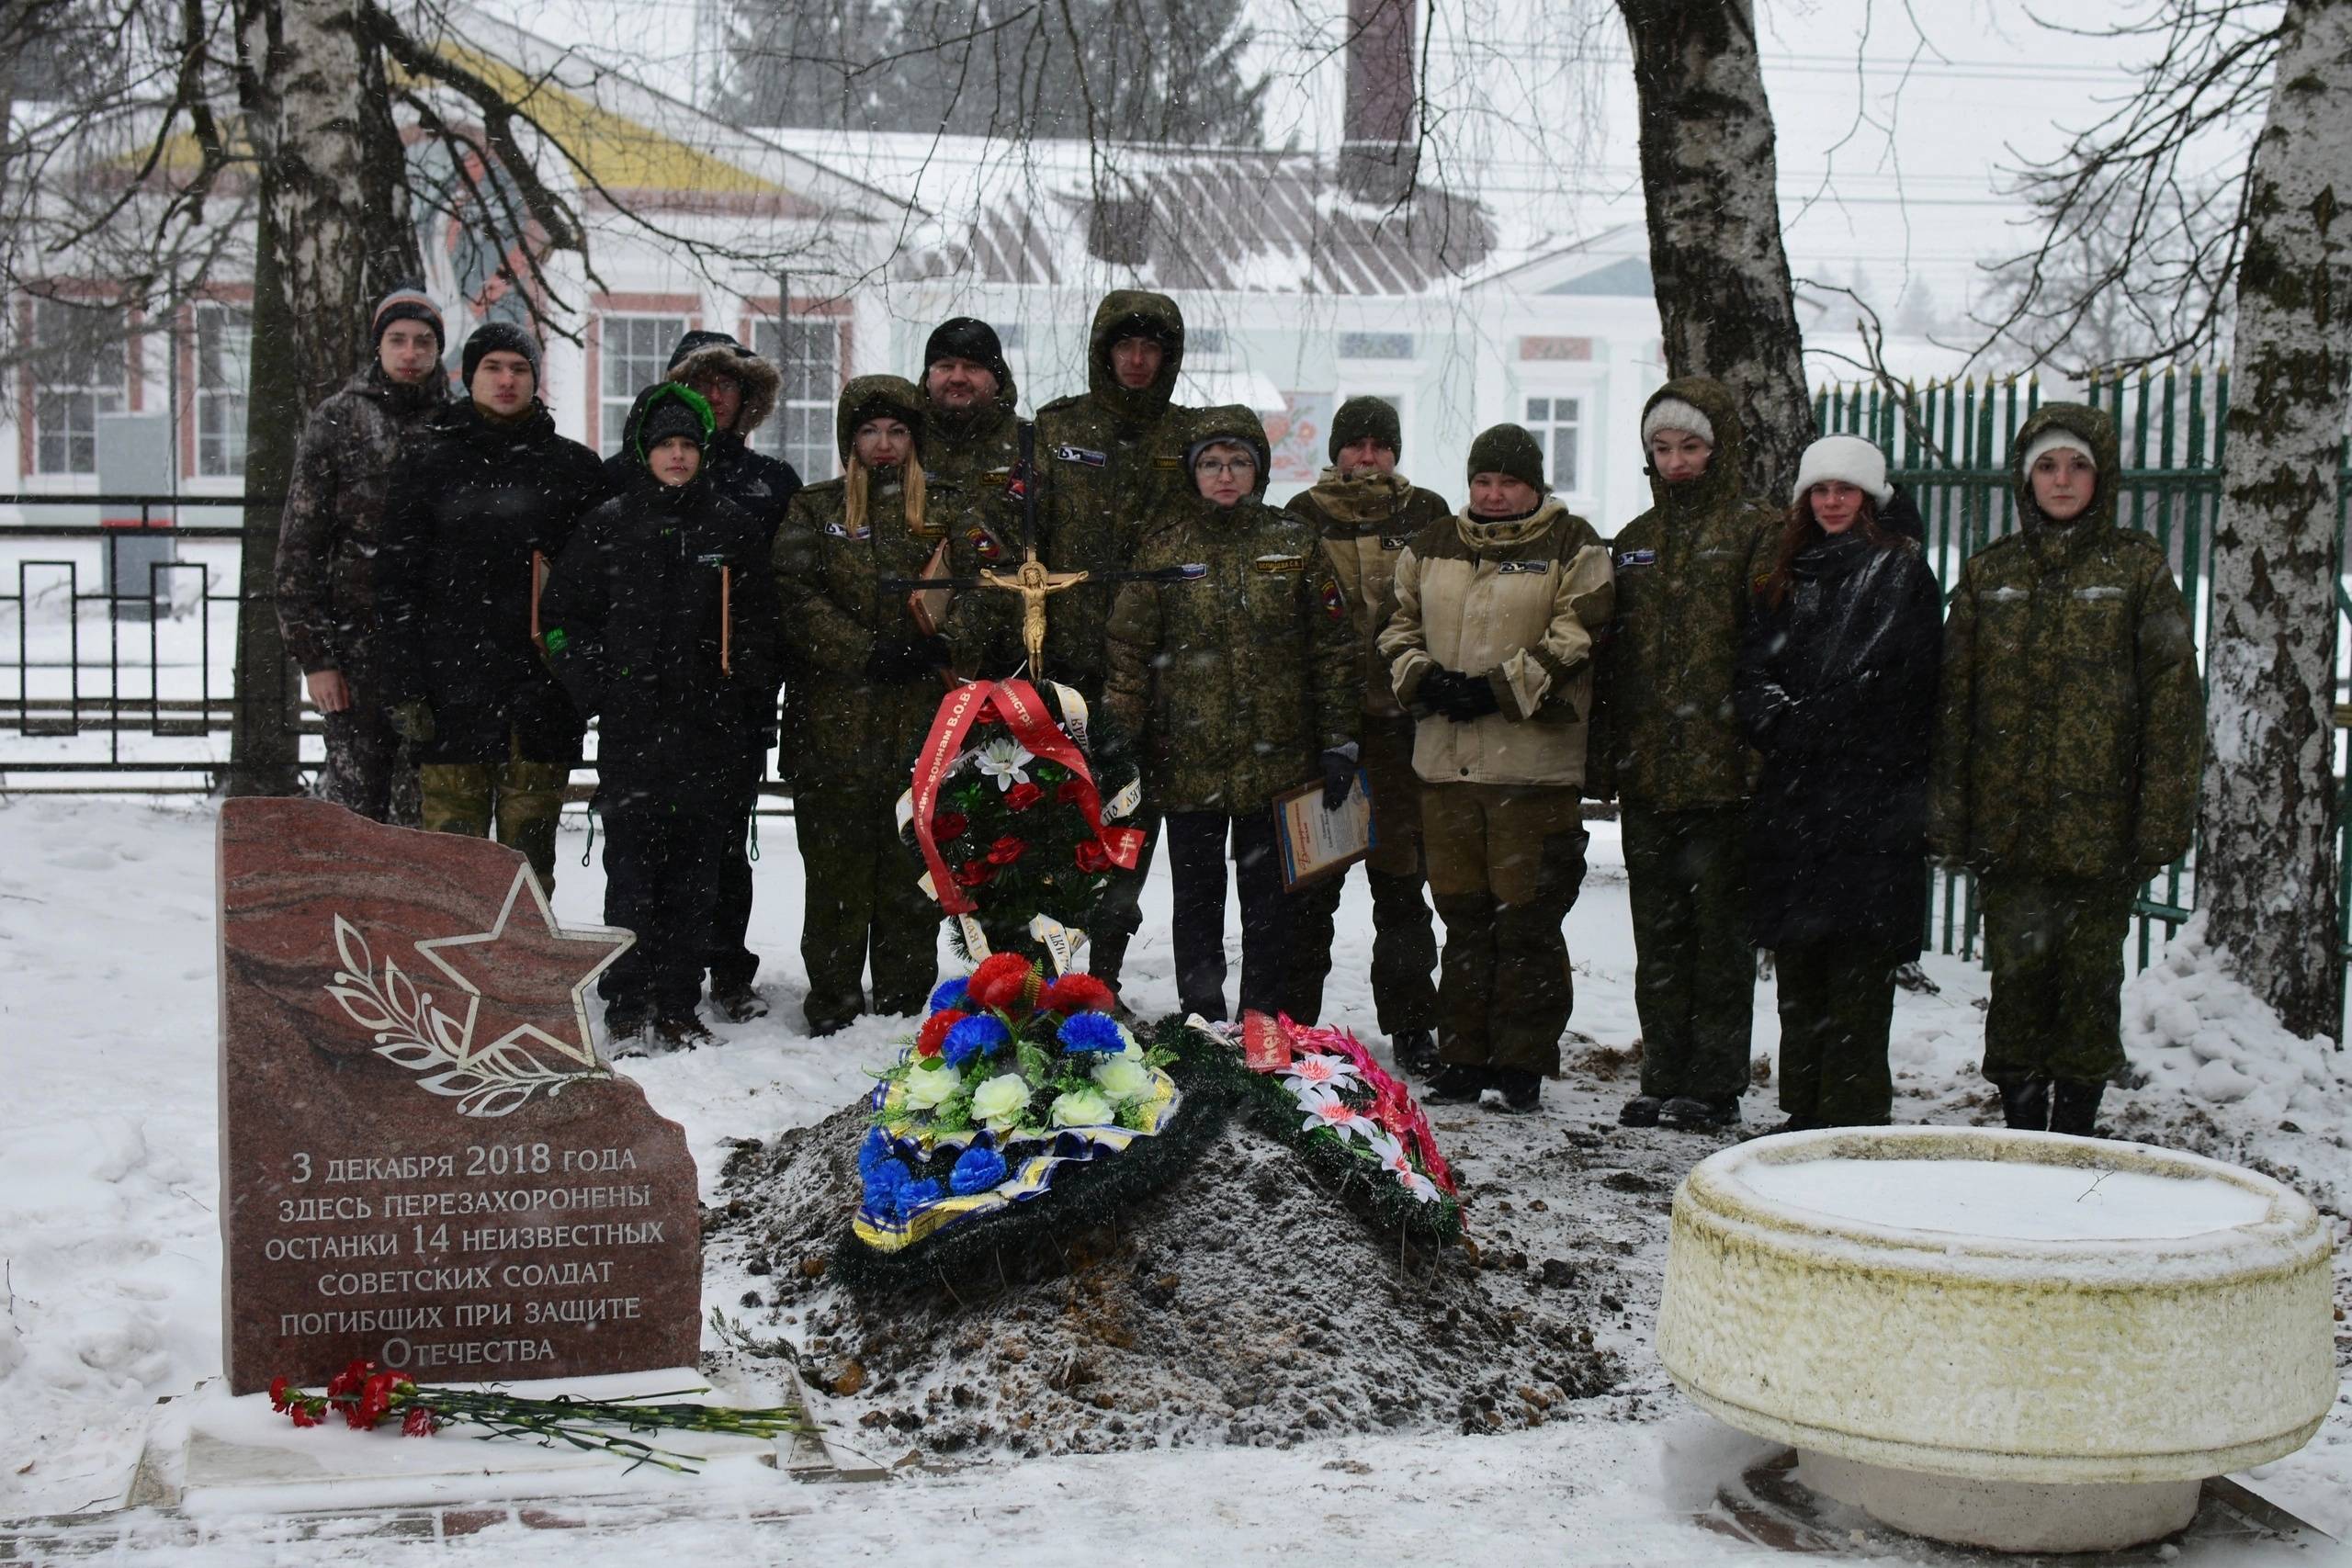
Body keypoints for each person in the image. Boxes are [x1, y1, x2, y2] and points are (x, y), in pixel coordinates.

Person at [1930, 403, 2202, 1135]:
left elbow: (2173, 706)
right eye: (2047, 466)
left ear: (2101, 474)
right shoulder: (1991, 574)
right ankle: (2021, 1117)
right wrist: (1950, 812)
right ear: (2025, 478)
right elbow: (1955, 706)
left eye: (2077, 465)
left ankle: (2077, 1122)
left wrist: (2160, 815)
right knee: (2016, 979)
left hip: (2100, 828)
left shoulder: (2137, 572)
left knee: (2088, 980)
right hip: (2008, 826)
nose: (2061, 480)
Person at [1378, 423, 1613, 1113]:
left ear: (1534, 485)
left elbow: (1580, 629)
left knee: (1527, 919)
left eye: (1509, 482)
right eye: (1484, 481)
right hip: (1445, 767)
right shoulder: (1432, 544)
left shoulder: (1573, 544)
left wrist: (1500, 688)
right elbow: (1397, 624)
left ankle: (1521, 1061)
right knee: (1464, 916)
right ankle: (1462, 1054)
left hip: (1532, 768)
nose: (1494, 494)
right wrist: (1423, 678)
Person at [542, 384, 782, 1050]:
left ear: (702, 453)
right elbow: (561, 618)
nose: (676, 457)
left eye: (686, 445)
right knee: (632, 868)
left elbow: (762, 627)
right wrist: (600, 685)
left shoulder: (731, 527)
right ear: (644, 452)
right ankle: (626, 997)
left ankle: (679, 998)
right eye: (664, 445)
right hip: (633, 731)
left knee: (695, 869)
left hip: (709, 732)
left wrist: (743, 697)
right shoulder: (609, 523)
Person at [1103, 406, 1353, 1021]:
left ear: (1258, 469)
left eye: (1238, 461)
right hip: (1186, 764)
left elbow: (1334, 650)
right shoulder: (1164, 549)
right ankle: (1203, 1013)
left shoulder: (1293, 544)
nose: (1225, 475)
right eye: (1211, 463)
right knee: (1196, 899)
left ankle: (1261, 1019)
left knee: (1269, 903)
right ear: (1192, 473)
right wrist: (1120, 739)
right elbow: (1129, 652)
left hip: (1278, 762)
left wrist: (1340, 741)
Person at [771, 377, 995, 1036]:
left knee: (909, 869)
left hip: (922, 724)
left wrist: (947, 643)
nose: (884, 444)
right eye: (870, 431)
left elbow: (989, 586)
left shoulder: (952, 510)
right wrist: (865, 651)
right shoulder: (813, 510)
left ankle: (901, 999)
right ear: (851, 440)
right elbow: (794, 594)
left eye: (898, 431)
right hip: (831, 726)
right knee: (835, 870)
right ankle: (834, 1000)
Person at [1589, 378, 1780, 1132]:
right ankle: (1661, 1070)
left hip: (1726, 776)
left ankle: (1714, 1081)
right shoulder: (1635, 537)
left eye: (1691, 446)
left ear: (1720, 448)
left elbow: (1771, 652)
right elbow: (1612, 660)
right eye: (1662, 448)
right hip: (1650, 774)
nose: (1676, 460)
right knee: (1658, 934)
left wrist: (1756, 754)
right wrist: (1608, 757)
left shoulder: (1758, 533)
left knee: (1719, 939)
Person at [1736, 435, 1941, 1132]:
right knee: (1802, 965)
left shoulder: (1902, 575)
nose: (1831, 501)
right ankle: (1803, 1106)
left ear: (1870, 498)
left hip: (1870, 807)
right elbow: (1753, 666)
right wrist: (1773, 717)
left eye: (1845, 490)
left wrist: (1821, 721)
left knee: (1857, 966)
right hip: (1796, 806)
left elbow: (1902, 682)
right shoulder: (1788, 571)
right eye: (1820, 490)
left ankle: (1851, 1113)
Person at [600, 328, 801, 1023]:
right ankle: (643, 971)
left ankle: (725, 965)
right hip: (644, 704)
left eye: (730, 384)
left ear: (748, 399)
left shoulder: (769, 483)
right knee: (644, 843)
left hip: (728, 701)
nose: (717, 396)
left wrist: (749, 680)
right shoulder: (628, 483)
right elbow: (585, 591)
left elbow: (775, 599)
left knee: (720, 839)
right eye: (703, 382)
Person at [376, 321, 607, 892]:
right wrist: (403, 682)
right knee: (451, 867)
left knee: (529, 865)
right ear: (468, 376)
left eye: (520, 369)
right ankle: (451, 979)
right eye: (494, 368)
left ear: (535, 379)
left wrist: (580, 675)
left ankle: (523, 975)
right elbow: (395, 582)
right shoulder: (425, 461)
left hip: (540, 698)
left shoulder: (574, 470)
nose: (507, 380)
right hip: (450, 692)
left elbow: (598, 589)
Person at [1030, 290, 1198, 1004]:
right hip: (1064, 665)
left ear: (1167, 357)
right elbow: (1022, 532)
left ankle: (1103, 973)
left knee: (1130, 826)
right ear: (1103, 352)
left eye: (1150, 348)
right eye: (1123, 346)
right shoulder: (1056, 428)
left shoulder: (1192, 436)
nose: (1136, 359)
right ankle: (1044, 970)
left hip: (1153, 672)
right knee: (1055, 827)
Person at [1280, 395, 1449, 1070]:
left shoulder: (1427, 515)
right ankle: (1295, 1022)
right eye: (1356, 444)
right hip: (1321, 732)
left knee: (1403, 889)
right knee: (1312, 888)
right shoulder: (1303, 516)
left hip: (1402, 732)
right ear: (1336, 451)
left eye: (1381, 444)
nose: (1368, 456)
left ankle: (1411, 1024)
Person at [275, 283, 451, 823]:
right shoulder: (338, 418)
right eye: (397, 340)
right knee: (355, 817)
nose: (410, 353)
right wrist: (316, 658)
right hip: (356, 655)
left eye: (423, 341)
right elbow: (299, 547)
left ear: (439, 350)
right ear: (378, 345)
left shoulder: (458, 423)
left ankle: (414, 911)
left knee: (428, 818)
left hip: (436, 653)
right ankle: (352, 911)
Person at [921, 316, 1023, 493]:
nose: (958, 378)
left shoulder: (1030, 444)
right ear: (928, 379)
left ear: (997, 380)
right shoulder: (901, 440)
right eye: (946, 367)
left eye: (972, 367)